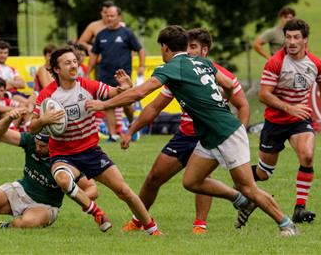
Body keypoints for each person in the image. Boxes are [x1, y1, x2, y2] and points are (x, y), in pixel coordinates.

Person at [86, 25, 298, 236]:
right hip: (208, 135)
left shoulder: (170, 68)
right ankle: (240, 201)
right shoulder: (203, 62)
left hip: (225, 132)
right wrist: (211, 96)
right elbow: (228, 85)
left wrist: (103, 105)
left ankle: (286, 224)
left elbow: (140, 93)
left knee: (249, 188)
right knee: (191, 181)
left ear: (165, 47)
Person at [121, 28, 250, 234]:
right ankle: (139, 220)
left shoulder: (217, 73)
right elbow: (155, 107)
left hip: (211, 134)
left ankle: (200, 224)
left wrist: (238, 136)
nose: (188, 51)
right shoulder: (179, 70)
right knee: (154, 177)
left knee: (200, 181)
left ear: (205, 50)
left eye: (193, 47)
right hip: (185, 135)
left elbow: (243, 105)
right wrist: (131, 130)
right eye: (187, 46)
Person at [30, 47, 161, 235]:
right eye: (67, 63)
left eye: (75, 61)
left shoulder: (88, 85)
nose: (73, 65)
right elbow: (32, 127)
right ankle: (96, 212)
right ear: (57, 70)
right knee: (63, 179)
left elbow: (117, 94)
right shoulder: (47, 95)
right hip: (63, 154)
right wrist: (43, 120)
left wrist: (126, 88)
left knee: (124, 191)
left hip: (91, 151)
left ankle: (152, 229)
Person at [254, 19, 321, 223]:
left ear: (305, 40)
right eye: (288, 37)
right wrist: (289, 108)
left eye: (296, 37)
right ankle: (242, 182)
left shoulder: (314, 64)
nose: (291, 41)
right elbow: (264, 95)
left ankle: (300, 208)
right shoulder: (275, 62)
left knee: (307, 156)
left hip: (300, 120)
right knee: (264, 174)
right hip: (275, 122)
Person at [86, 5, 145, 141]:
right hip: (105, 75)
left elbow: (140, 49)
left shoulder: (127, 33)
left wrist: (141, 65)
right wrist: (88, 72)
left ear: (119, 17)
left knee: (127, 104)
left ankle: (132, 126)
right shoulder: (101, 35)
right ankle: (112, 135)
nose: (109, 18)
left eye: (112, 16)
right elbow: (94, 55)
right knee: (109, 105)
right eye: (107, 15)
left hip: (123, 78)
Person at [0, 41, 29, 106]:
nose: (3, 55)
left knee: (36, 101)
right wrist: (14, 83)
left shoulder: (11, 68)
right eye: (0, 53)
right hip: (5, 96)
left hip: (17, 94)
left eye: (5, 53)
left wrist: (9, 82)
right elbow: (1, 87)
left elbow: (22, 84)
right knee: (29, 105)